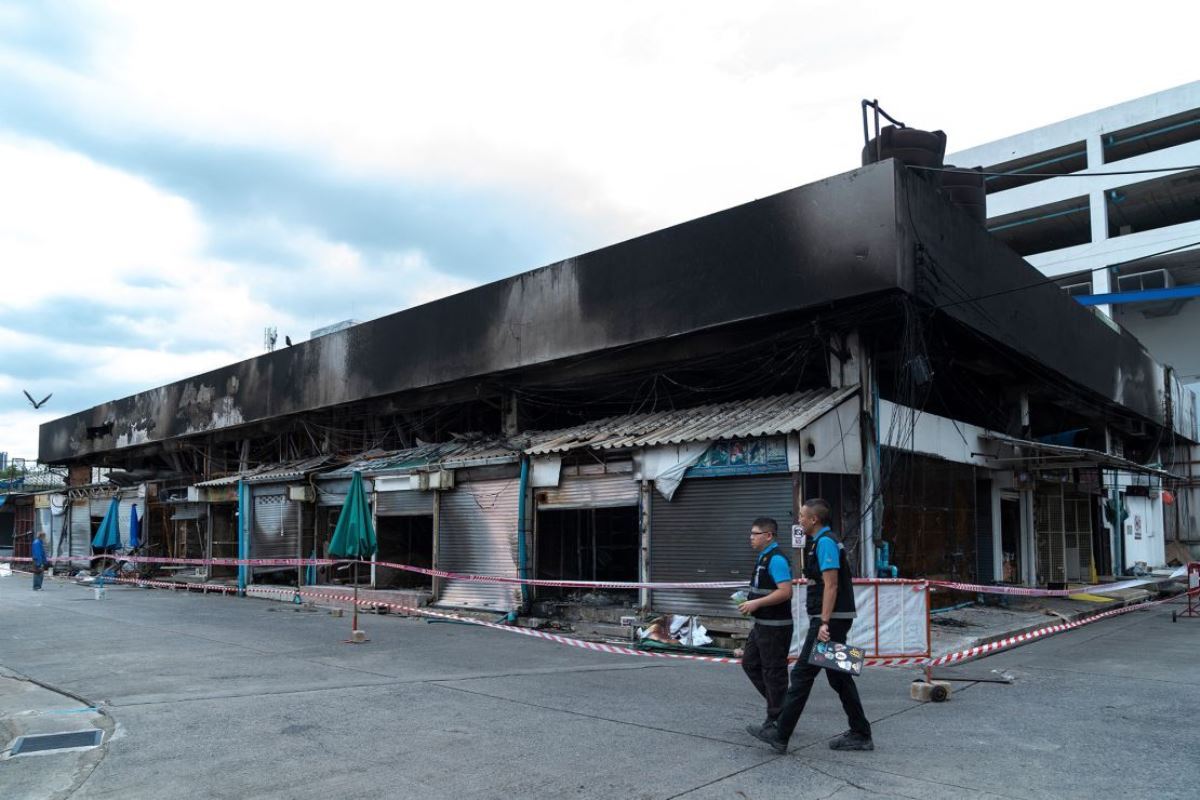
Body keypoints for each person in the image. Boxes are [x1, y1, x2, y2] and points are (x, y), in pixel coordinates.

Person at [748, 499, 873, 754]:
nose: (799, 520)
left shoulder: (825, 542)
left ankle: (780, 734)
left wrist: (824, 622)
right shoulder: (820, 542)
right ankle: (861, 732)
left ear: (814, 520)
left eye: (803, 516)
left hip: (831, 620)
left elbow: (832, 585)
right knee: (840, 677)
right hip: (834, 618)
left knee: (802, 675)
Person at [737, 517, 793, 735]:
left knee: (774, 672)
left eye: (755, 534)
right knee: (750, 664)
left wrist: (756, 602)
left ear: (768, 536)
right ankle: (782, 709)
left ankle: (776, 720)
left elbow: (785, 591)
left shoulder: (776, 559)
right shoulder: (763, 557)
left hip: (775, 627)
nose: (751, 538)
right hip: (761, 624)